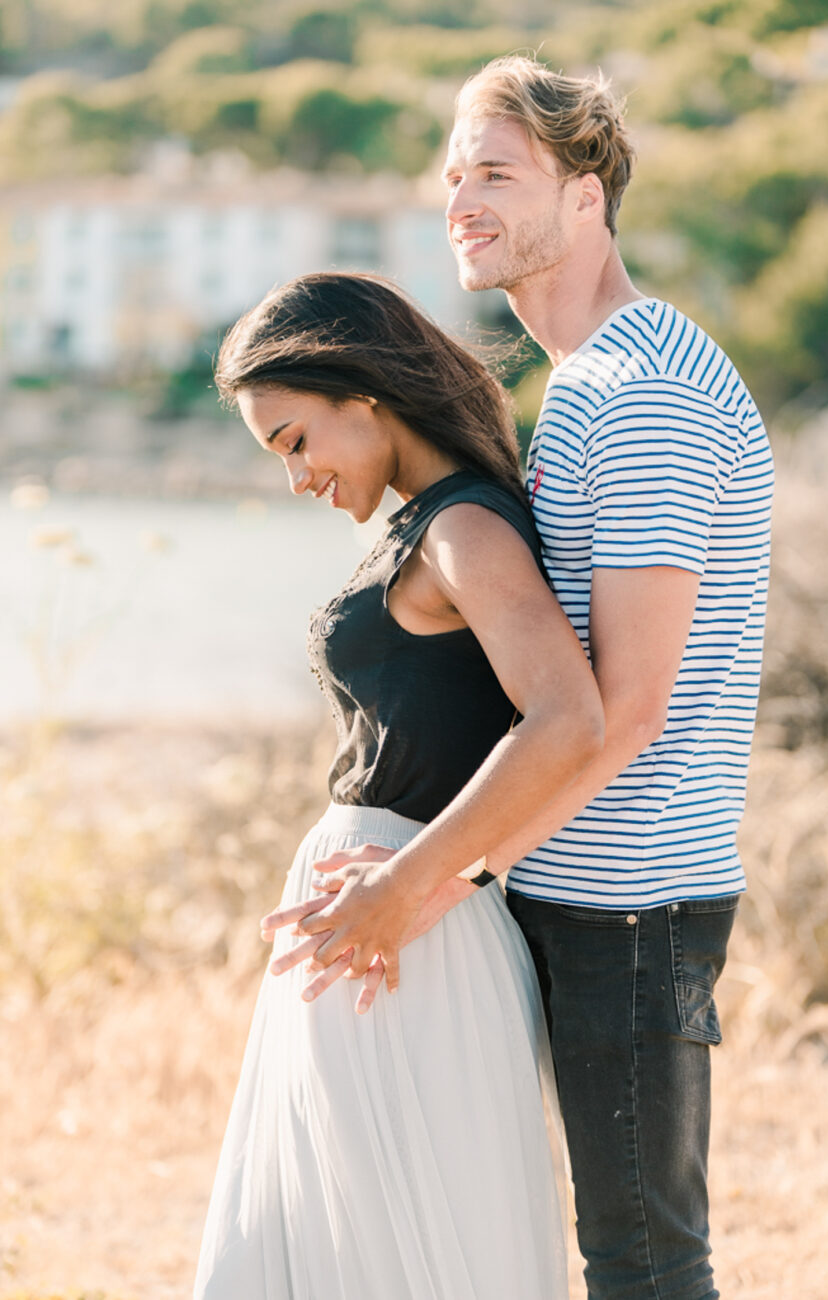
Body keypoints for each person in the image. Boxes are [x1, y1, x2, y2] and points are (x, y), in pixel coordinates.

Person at [280, 56, 774, 1300]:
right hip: (577, 888)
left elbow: (630, 705)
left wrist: (426, 878)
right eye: (453, 177)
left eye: (496, 172)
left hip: (632, 901)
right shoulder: (593, 383)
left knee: (647, 1264)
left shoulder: (646, 389)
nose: (463, 200)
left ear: (588, 192)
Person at [193, 270, 605, 1298]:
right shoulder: (430, 521)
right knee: (337, 1238)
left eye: (295, 441)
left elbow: (569, 719)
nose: (297, 477)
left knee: (401, 1246)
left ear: (362, 393)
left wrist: (407, 886)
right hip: (379, 919)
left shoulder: (464, 528)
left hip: (405, 928)